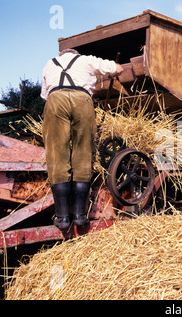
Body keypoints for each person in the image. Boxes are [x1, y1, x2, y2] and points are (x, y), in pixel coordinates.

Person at [41, 48, 123, 230]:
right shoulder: (86, 60)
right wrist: (112, 71)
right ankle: (79, 216)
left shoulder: (49, 63)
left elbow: (44, 95)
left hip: (55, 100)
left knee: (57, 154)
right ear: (76, 54)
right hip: (82, 100)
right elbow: (118, 69)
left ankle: (62, 217)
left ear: (62, 55)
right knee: (83, 153)